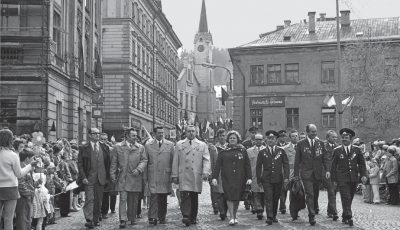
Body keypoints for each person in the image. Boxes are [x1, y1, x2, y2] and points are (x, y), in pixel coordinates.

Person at [172, 125, 211, 227]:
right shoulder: (179, 144)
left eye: (193, 131)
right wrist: (174, 175)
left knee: (194, 196)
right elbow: (175, 160)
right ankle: (186, 215)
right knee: (184, 195)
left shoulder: (202, 145)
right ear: (185, 132)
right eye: (189, 131)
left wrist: (206, 172)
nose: (191, 133)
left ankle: (193, 216)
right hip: (183, 174)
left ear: (196, 132)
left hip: (195, 174)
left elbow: (206, 159)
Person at [0, 129, 38, 230]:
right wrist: (30, 166)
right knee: (8, 219)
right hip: (11, 188)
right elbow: (19, 174)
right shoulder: (13, 155)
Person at [212, 130, 251, 226]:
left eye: (234, 138)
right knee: (229, 196)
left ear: (238, 139)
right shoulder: (223, 151)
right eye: (230, 138)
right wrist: (215, 177)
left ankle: (235, 215)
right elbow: (217, 165)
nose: (232, 139)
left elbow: (247, 165)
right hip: (227, 177)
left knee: (236, 197)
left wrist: (249, 177)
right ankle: (232, 217)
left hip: (240, 177)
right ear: (228, 140)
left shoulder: (242, 150)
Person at [293, 124, 330, 226]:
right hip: (306, 174)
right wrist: (296, 175)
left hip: (317, 173)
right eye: (312, 131)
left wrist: (327, 170)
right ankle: (311, 216)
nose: (314, 133)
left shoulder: (320, 143)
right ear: (307, 132)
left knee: (315, 194)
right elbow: (297, 161)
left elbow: (325, 158)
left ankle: (313, 208)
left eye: (315, 131)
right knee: (310, 194)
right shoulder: (301, 144)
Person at [110, 128, 147, 228]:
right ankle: (122, 219)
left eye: (136, 135)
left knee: (133, 200)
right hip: (123, 177)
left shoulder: (140, 148)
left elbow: (144, 160)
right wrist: (112, 175)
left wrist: (139, 169)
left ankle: (132, 218)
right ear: (127, 136)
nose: (136, 137)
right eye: (133, 135)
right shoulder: (117, 147)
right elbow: (113, 162)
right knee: (123, 199)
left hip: (135, 177)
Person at [330, 128, 367, 227]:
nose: (344, 139)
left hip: (353, 178)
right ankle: (349, 216)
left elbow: (362, 164)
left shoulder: (357, 150)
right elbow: (333, 166)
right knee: (345, 197)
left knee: (350, 198)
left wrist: (364, 175)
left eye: (346, 138)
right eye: (342, 138)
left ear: (350, 139)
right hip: (342, 178)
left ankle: (344, 215)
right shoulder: (337, 150)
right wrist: (333, 180)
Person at [78, 128, 111, 229]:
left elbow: (108, 163)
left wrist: (107, 177)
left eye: (98, 133)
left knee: (98, 200)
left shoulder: (104, 147)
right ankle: (89, 219)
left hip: (101, 178)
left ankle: (95, 219)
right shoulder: (84, 148)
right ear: (89, 135)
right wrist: (83, 177)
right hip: (89, 179)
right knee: (90, 199)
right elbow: (80, 164)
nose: (97, 135)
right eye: (94, 133)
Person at [256, 130, 289, 225]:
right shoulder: (262, 152)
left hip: (278, 179)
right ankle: (269, 217)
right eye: (269, 138)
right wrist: (259, 179)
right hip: (266, 179)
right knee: (268, 197)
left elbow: (286, 165)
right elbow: (258, 167)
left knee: (275, 198)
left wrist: (286, 177)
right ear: (266, 140)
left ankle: (274, 215)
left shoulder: (281, 151)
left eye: (273, 138)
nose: (270, 140)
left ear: (276, 139)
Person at [145, 127, 174, 225]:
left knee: (163, 197)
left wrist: (173, 175)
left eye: (162, 133)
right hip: (153, 174)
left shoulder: (170, 145)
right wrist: (145, 177)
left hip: (165, 175)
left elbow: (173, 161)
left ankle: (162, 217)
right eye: (159, 133)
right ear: (154, 134)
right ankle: (153, 217)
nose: (161, 135)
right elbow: (146, 160)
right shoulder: (148, 145)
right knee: (154, 196)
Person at [16, 148, 39, 230]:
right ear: (27, 159)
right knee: (23, 220)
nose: (34, 160)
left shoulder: (26, 167)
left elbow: (28, 183)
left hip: (27, 197)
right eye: (32, 158)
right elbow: (21, 185)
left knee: (27, 219)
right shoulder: (21, 167)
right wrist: (30, 193)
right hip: (23, 198)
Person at [279, 129, 298, 215]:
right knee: (284, 191)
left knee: (295, 192)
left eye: (296, 136)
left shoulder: (301, 147)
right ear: (290, 138)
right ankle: (282, 207)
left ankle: (293, 208)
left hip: (297, 172)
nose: (295, 137)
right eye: (293, 136)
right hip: (287, 172)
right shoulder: (284, 149)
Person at [247, 134, 265, 220]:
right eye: (257, 140)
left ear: (263, 140)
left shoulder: (266, 150)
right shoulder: (249, 151)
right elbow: (247, 165)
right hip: (253, 175)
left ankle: (261, 208)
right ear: (254, 140)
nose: (258, 141)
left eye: (260, 139)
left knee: (264, 194)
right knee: (255, 193)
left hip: (264, 175)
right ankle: (259, 210)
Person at [212, 129, 228, 220]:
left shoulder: (229, 147)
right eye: (220, 136)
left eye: (223, 135)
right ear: (218, 137)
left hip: (227, 174)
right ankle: (221, 211)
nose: (222, 137)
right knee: (218, 193)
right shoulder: (214, 148)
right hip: (217, 174)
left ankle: (225, 210)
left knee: (226, 193)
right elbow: (211, 161)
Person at [100, 133, 117, 220]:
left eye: (105, 139)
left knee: (106, 195)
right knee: (99, 195)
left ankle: (104, 212)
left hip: (107, 175)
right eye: (102, 139)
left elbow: (113, 162)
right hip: (99, 175)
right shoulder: (97, 148)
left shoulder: (110, 149)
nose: (104, 141)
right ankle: (99, 212)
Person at [324, 130, 339, 220]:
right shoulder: (324, 147)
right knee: (331, 191)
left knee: (334, 192)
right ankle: (334, 211)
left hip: (336, 173)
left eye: (336, 137)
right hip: (328, 172)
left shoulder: (338, 147)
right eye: (333, 137)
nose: (335, 139)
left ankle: (330, 211)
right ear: (328, 138)